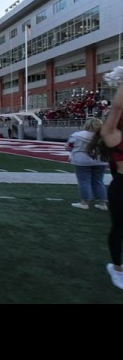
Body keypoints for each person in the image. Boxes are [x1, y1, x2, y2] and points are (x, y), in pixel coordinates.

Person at [88, 82, 123, 290]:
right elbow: (117, 107)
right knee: (119, 228)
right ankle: (117, 268)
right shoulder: (114, 135)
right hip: (121, 187)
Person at [67, 118, 108, 210]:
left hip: (82, 160)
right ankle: (103, 204)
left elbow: (68, 147)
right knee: (99, 181)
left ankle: (85, 202)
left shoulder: (77, 135)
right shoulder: (104, 135)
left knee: (84, 181)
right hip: (100, 160)